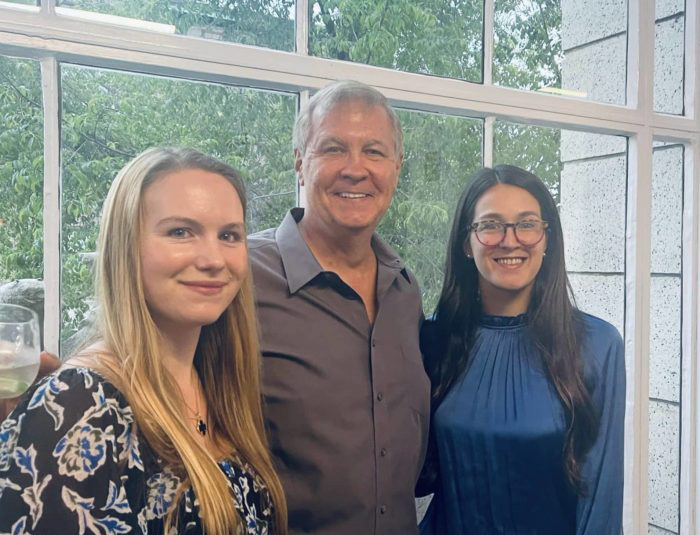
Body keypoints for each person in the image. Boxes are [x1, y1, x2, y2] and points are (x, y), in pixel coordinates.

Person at [0, 148, 287, 535]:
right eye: (181, 232)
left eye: (229, 235)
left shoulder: (217, 388)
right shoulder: (80, 404)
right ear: (126, 247)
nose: (214, 258)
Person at [249, 80, 430, 535]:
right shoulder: (240, 276)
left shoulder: (404, 292)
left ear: (396, 168)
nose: (356, 169)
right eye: (333, 148)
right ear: (299, 163)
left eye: (374, 151)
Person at [417, 165, 625, 535]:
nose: (510, 240)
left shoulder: (596, 345)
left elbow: (601, 501)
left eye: (527, 224)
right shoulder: (433, 340)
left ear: (547, 239)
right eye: (490, 225)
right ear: (467, 242)